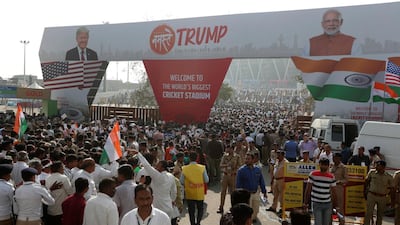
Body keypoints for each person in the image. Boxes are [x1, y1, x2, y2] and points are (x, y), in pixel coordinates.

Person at [137, 153, 177, 221]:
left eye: (158, 165)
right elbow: (174, 191)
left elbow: (147, 166)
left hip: (158, 208)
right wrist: (172, 200)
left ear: (162, 168)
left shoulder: (157, 176)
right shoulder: (171, 176)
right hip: (168, 207)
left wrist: (138, 154)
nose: (155, 167)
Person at [304, 158, 338, 225]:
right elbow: (308, 189)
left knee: (326, 223)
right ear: (319, 164)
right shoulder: (313, 174)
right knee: (318, 223)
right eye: (322, 164)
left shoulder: (331, 177)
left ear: (328, 166)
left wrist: (336, 205)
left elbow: (334, 193)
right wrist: (305, 203)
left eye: (325, 165)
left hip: (327, 204)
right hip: (316, 203)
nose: (324, 166)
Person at [236, 153, 267, 223]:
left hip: (256, 193)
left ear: (253, 160)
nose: (246, 160)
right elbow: (238, 185)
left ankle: (252, 219)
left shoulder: (257, 169)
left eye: (248, 159)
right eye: (246, 159)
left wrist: (264, 191)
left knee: (256, 210)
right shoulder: (241, 171)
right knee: (247, 211)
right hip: (246, 195)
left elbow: (261, 181)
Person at [181, 151, 209, 225]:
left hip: (190, 193)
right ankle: (198, 222)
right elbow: (206, 180)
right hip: (199, 192)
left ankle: (192, 223)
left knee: (191, 210)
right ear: (197, 158)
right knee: (200, 209)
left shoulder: (184, 168)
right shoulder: (202, 168)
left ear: (189, 158)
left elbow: (182, 181)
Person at [364, 160, 395, 225]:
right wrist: (365, 191)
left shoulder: (389, 176)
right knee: (368, 213)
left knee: (380, 215)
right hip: (371, 195)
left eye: (378, 165)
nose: (376, 167)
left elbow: (392, 189)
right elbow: (366, 181)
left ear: (383, 167)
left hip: (382, 197)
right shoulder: (372, 172)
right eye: (376, 165)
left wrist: (392, 201)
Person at [217, 144, 241, 214]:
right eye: (228, 148)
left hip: (233, 176)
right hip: (225, 175)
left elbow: (240, 166)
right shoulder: (225, 156)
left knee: (233, 193)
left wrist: (234, 170)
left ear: (233, 149)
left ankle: (233, 208)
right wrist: (227, 165)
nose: (228, 150)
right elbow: (220, 165)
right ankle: (221, 207)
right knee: (223, 192)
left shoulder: (237, 157)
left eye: (229, 148)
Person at [267, 150, 288, 214]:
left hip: (282, 180)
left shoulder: (286, 162)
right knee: (275, 195)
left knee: (281, 196)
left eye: (279, 154)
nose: (277, 156)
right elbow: (274, 170)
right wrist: (272, 179)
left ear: (283, 155)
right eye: (277, 154)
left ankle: (282, 208)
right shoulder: (277, 161)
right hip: (276, 180)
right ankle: (274, 207)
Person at [330, 153, 348, 225]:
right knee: (329, 207)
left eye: (336, 158)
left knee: (339, 207)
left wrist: (339, 181)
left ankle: (341, 222)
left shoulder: (343, 167)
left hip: (338, 189)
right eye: (333, 158)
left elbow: (346, 179)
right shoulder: (331, 165)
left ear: (339, 158)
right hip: (330, 189)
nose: (334, 159)